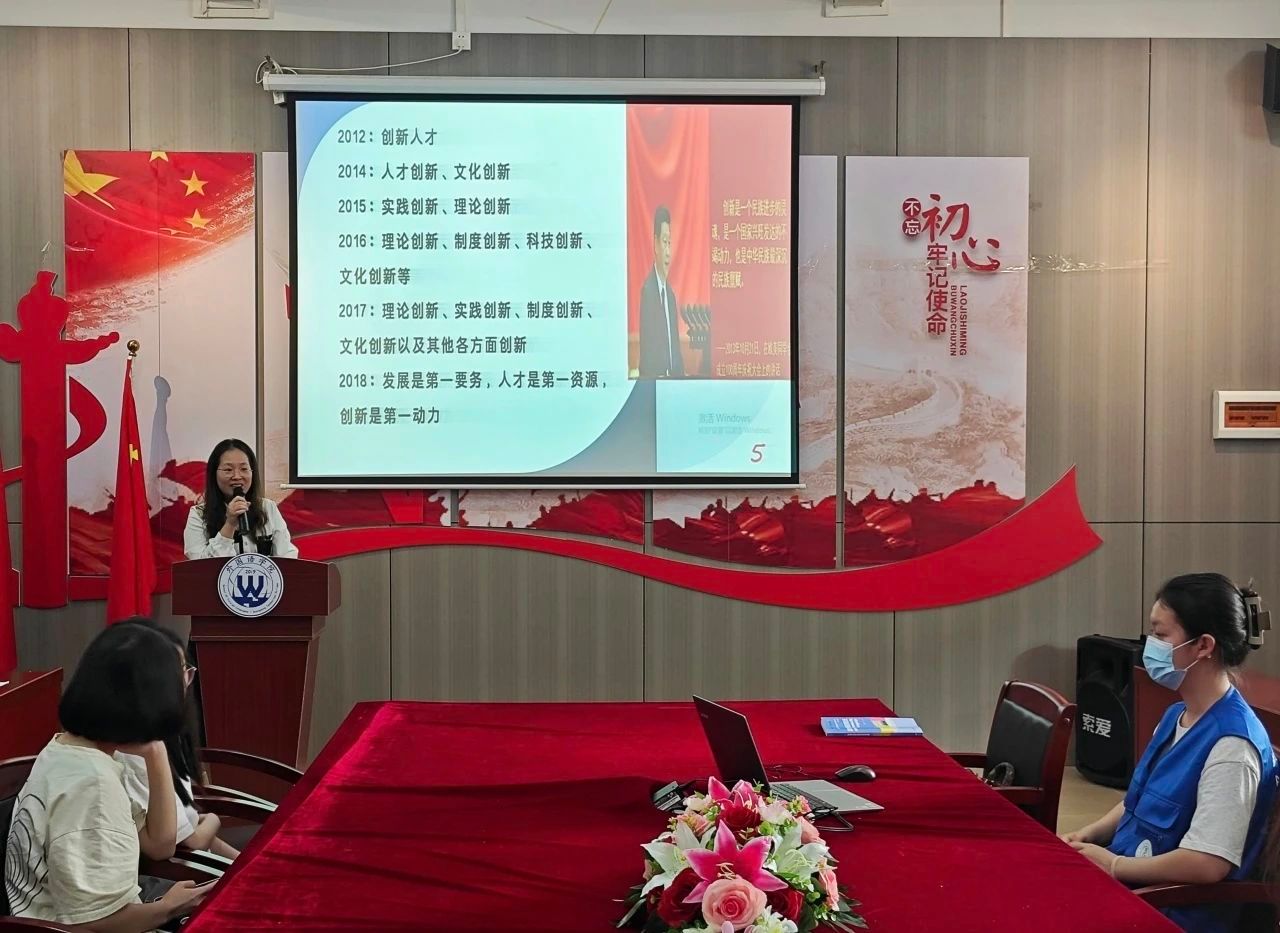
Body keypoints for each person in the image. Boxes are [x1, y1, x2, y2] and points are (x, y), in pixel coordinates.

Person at [1061, 573, 1278, 933]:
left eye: (1161, 636)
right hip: (1131, 887)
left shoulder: (1232, 747)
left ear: (1203, 646)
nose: (1151, 647)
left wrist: (1114, 866)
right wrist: (1091, 834)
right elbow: (1139, 799)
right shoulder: (1176, 716)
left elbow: (1207, 863)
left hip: (1169, 911)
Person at [5, 622, 209, 930]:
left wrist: (155, 749)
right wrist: (170, 907)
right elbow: (95, 924)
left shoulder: (71, 748)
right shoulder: (92, 785)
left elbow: (159, 845)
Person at [115, 621, 241, 861]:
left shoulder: (165, 736)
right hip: (177, 875)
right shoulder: (135, 753)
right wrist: (213, 818)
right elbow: (191, 842)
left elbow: (196, 835)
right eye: (182, 670)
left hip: (199, 863)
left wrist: (243, 861)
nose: (187, 678)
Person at [184, 438, 297, 560]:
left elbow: (287, 556)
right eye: (228, 470)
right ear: (214, 474)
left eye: (244, 469)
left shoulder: (267, 507)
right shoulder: (199, 514)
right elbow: (200, 565)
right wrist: (230, 524)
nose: (237, 476)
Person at [637, 205, 685, 378]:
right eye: (665, 242)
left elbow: (675, 350)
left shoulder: (670, 296)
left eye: (670, 243)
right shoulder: (648, 293)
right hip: (656, 385)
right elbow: (647, 356)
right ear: (655, 244)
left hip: (673, 385)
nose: (668, 252)